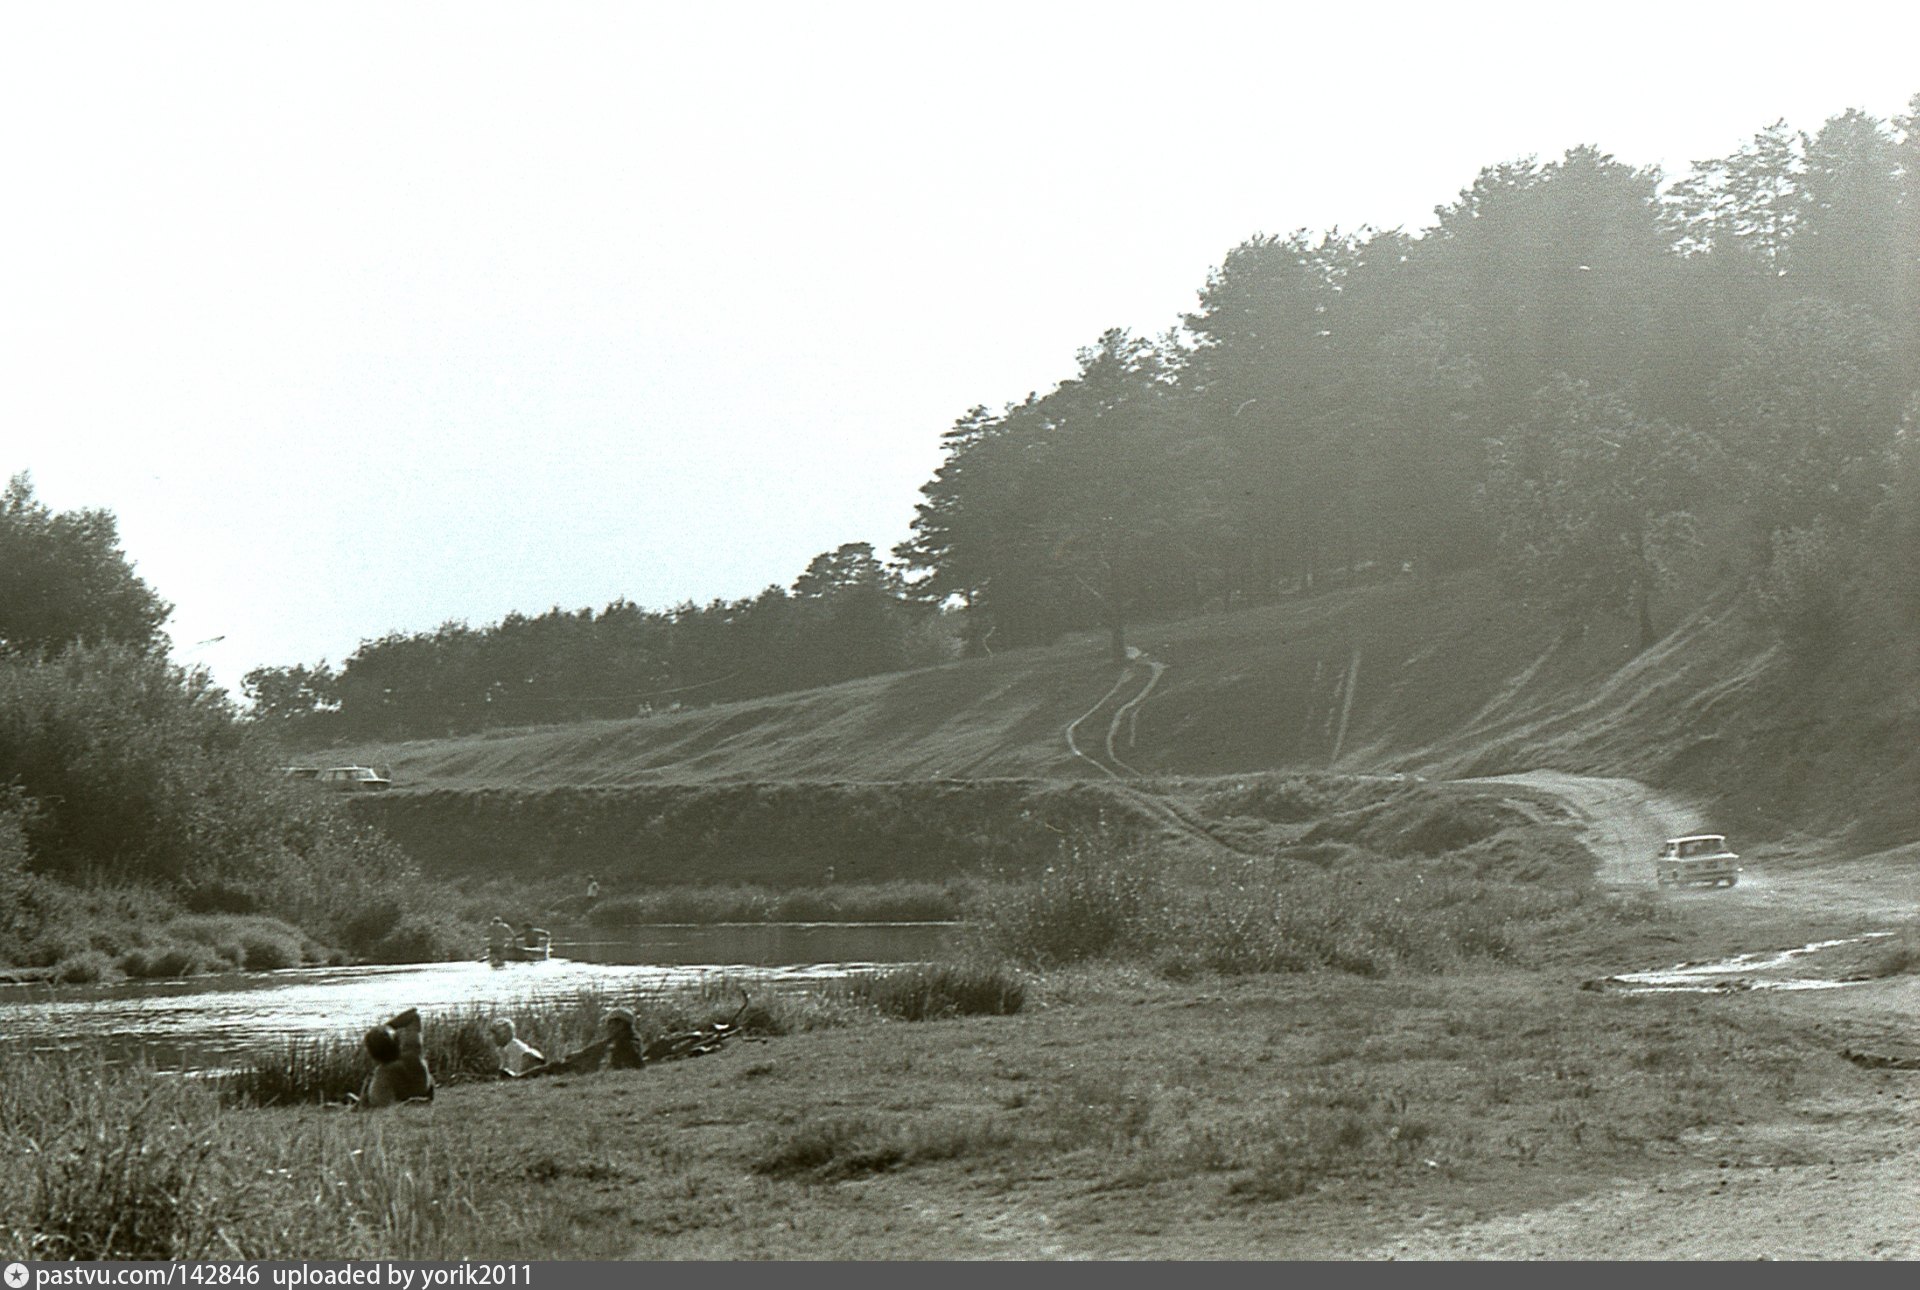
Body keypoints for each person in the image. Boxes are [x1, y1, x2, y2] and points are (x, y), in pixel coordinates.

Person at [360, 1007, 434, 1107]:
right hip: (423, 1088)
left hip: (407, 1099)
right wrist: (386, 1027)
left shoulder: (382, 1075)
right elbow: (413, 1015)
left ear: (373, 1055)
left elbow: (384, 1108)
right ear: (397, 1042)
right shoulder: (413, 1052)